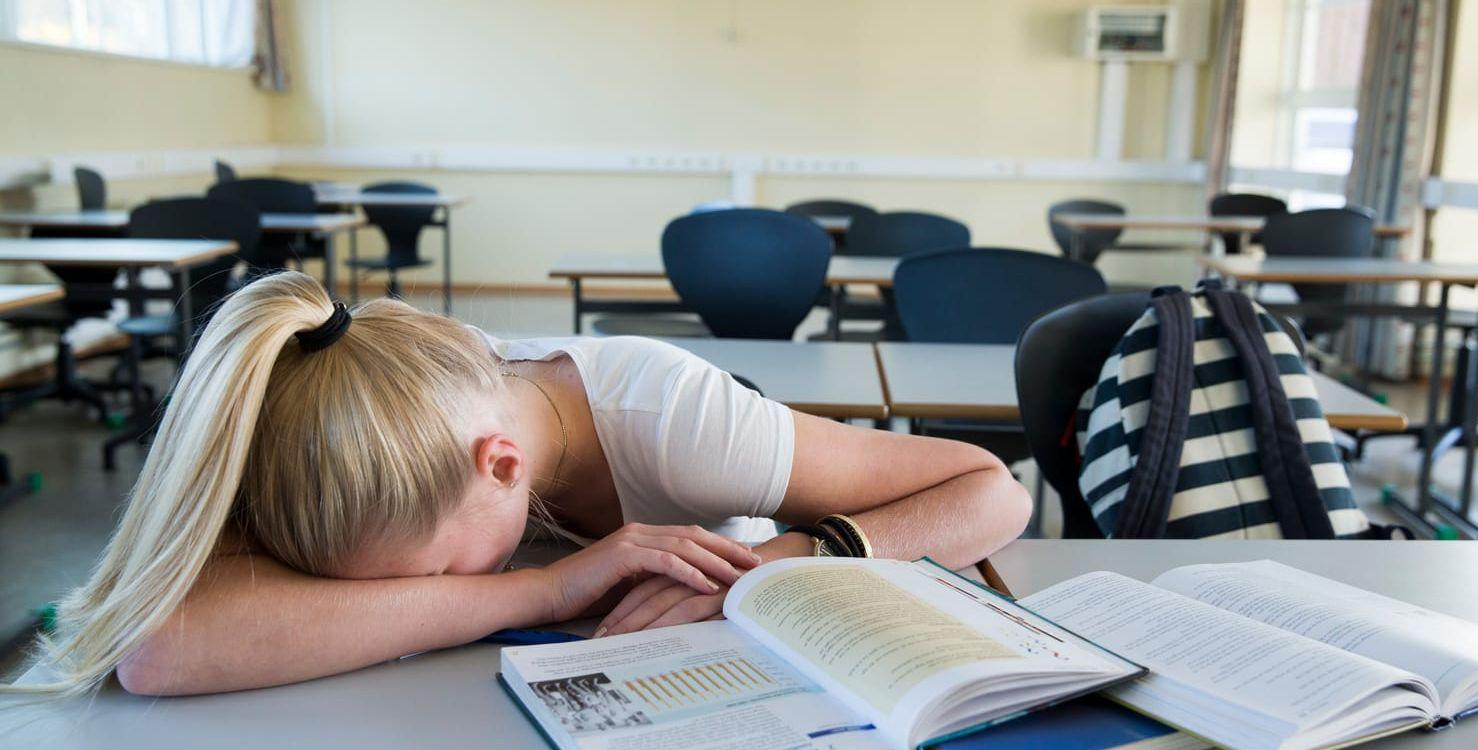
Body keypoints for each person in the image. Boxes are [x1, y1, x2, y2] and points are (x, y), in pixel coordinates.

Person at [8, 271, 1030, 699]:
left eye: (425, 572)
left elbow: (990, 490)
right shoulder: (337, 417)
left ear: (501, 467)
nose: (408, 598)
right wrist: (546, 587)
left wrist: (776, 563)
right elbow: (154, 647)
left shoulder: (675, 423)